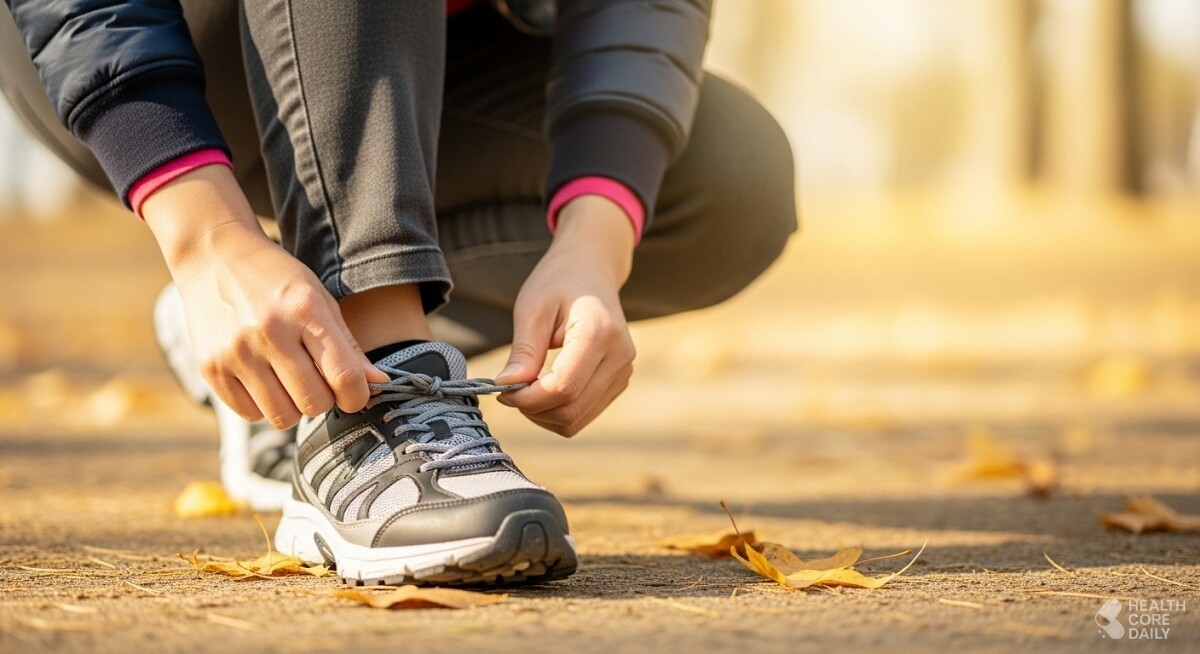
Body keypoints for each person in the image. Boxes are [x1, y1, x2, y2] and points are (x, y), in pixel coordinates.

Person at [0, 0, 797, 586]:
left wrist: (596, 242)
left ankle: (307, 360)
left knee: (731, 181)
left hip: (428, 59)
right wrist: (202, 235)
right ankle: (367, 391)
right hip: (158, 54)